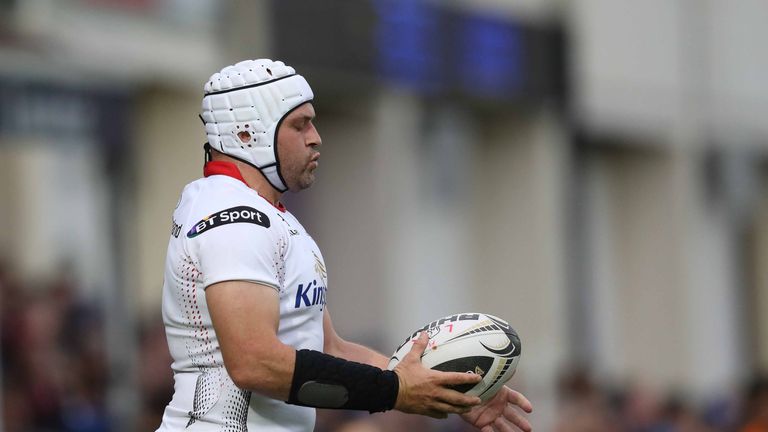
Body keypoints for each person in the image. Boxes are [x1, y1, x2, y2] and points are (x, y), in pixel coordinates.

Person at [156, 59, 533, 432]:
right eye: (299, 124)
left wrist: (444, 386)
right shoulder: (234, 216)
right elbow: (254, 362)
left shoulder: (269, 215)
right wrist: (394, 390)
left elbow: (330, 348)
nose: (315, 137)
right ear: (244, 134)